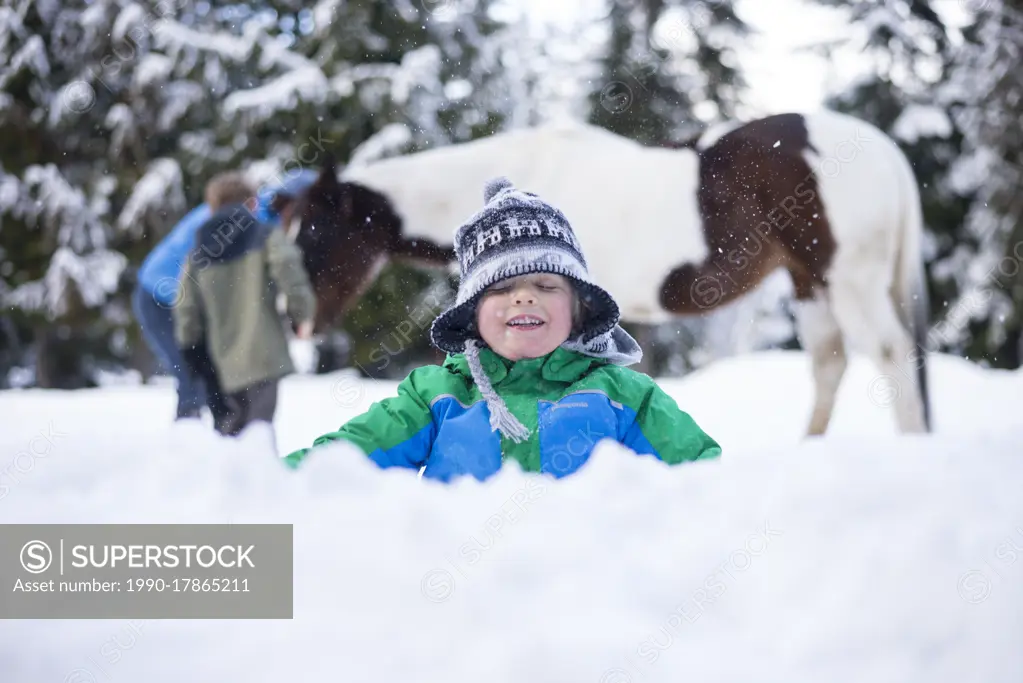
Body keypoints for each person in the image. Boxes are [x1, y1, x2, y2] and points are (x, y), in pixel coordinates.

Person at [282, 177, 720, 481]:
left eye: (546, 284)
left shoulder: (624, 396)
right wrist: (266, 482)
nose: (524, 297)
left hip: (588, 594)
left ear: (579, 309)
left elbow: (708, 479)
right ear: (472, 314)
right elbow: (347, 457)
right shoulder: (437, 395)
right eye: (502, 287)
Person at [134, 168, 318, 421]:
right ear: (291, 202)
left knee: (218, 379)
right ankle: (188, 442)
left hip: (183, 300)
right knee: (194, 376)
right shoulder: (245, 222)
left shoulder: (256, 217)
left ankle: (219, 439)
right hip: (158, 298)